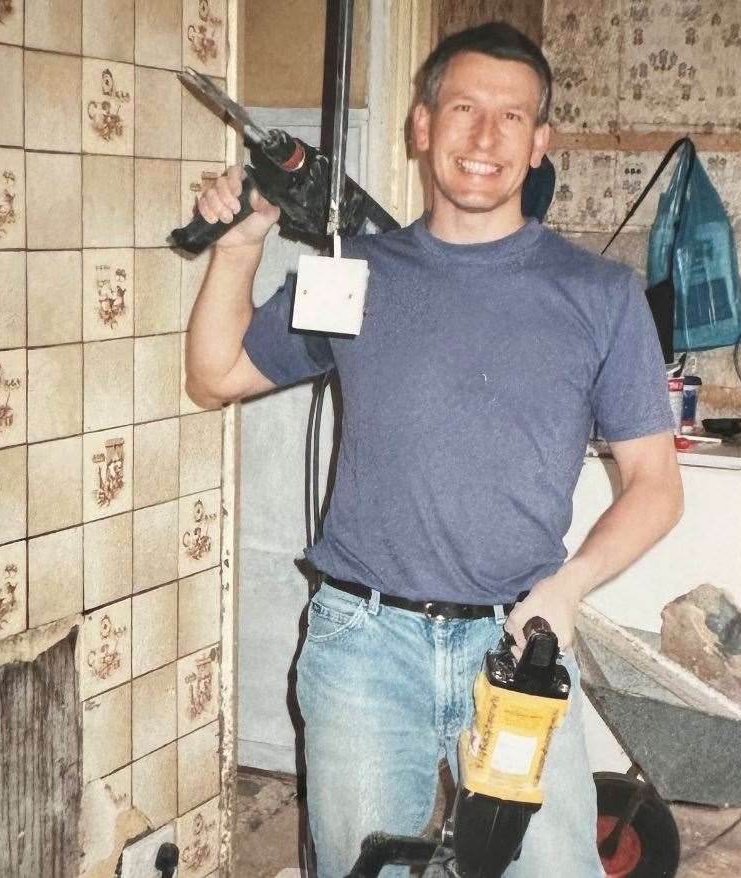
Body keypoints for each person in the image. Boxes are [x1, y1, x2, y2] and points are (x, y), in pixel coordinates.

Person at [185, 22, 683, 877]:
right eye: (463, 109)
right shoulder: (352, 272)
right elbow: (216, 375)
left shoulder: (599, 296)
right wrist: (239, 244)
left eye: (511, 117)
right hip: (362, 649)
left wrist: (565, 590)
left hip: (518, 648)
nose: (484, 137)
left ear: (539, 144)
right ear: (421, 126)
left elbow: (656, 486)